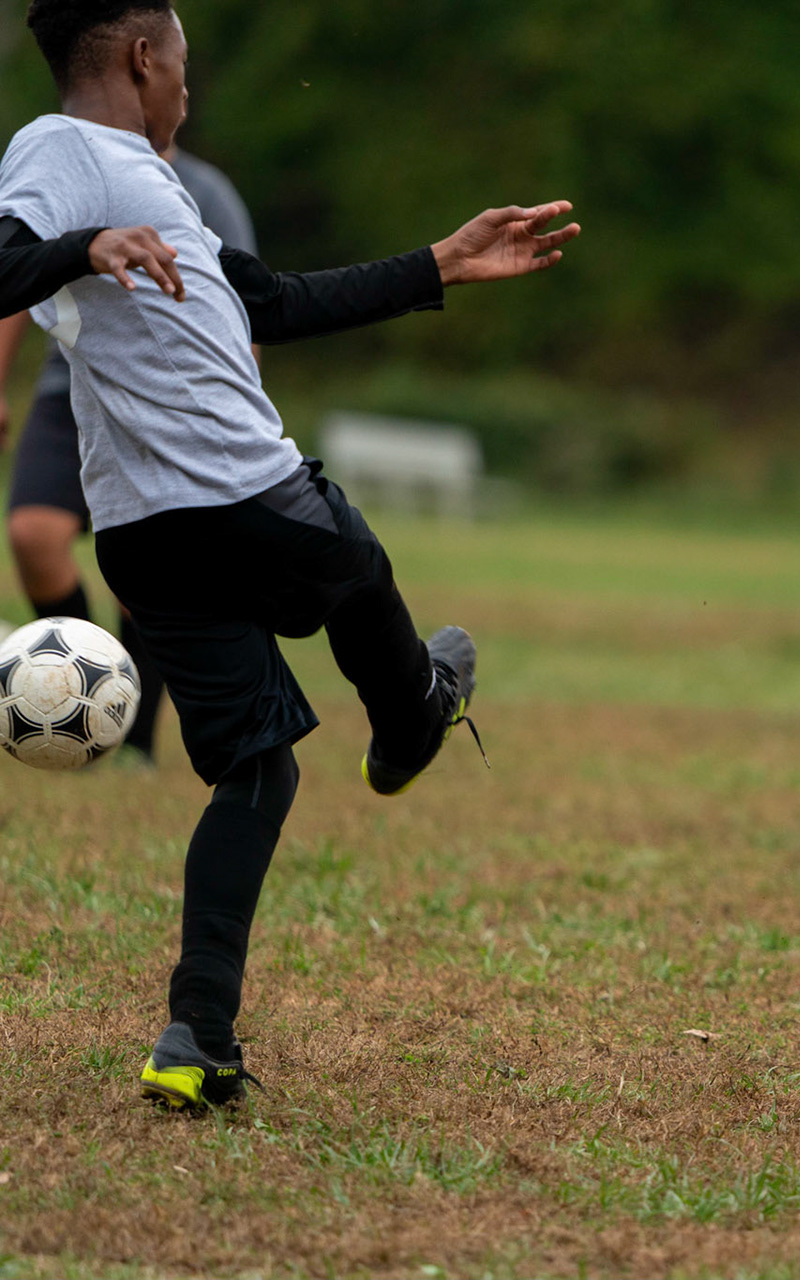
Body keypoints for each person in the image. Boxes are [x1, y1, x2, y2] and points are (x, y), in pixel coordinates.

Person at [0, 0, 582, 1110]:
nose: (187, 87)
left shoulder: (149, 178)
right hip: (236, 490)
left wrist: (436, 265)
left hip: (147, 535)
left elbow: (265, 298)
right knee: (357, 568)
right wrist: (85, 246)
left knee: (258, 771)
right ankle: (415, 714)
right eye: (181, 64)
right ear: (139, 58)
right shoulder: (61, 148)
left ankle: (193, 1033)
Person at [0, 138, 258, 765]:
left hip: (166, 403)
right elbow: (15, 275)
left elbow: (247, 310)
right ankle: (70, 696)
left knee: (142, 573)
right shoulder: (68, 176)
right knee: (34, 536)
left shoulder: (208, 193)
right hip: (70, 390)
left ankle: (132, 738)